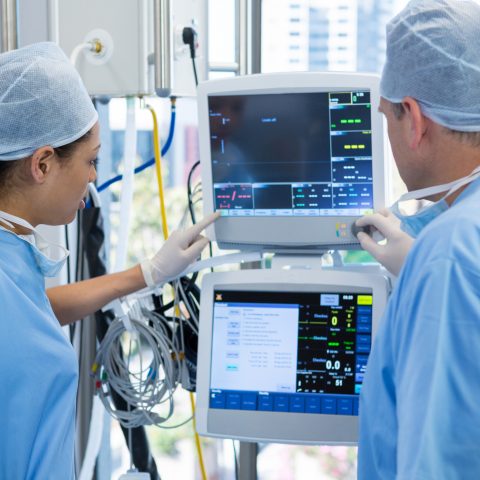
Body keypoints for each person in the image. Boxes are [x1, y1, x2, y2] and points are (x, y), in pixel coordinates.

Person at [0, 42, 218, 479]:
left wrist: (149, 273)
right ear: (42, 163)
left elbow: (36, 311)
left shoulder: (12, 254)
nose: (94, 176)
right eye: (91, 160)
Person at [353, 0, 480, 478]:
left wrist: (431, 267)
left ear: (414, 117)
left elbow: (439, 464)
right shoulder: (453, 242)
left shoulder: (450, 253)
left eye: (386, 117)